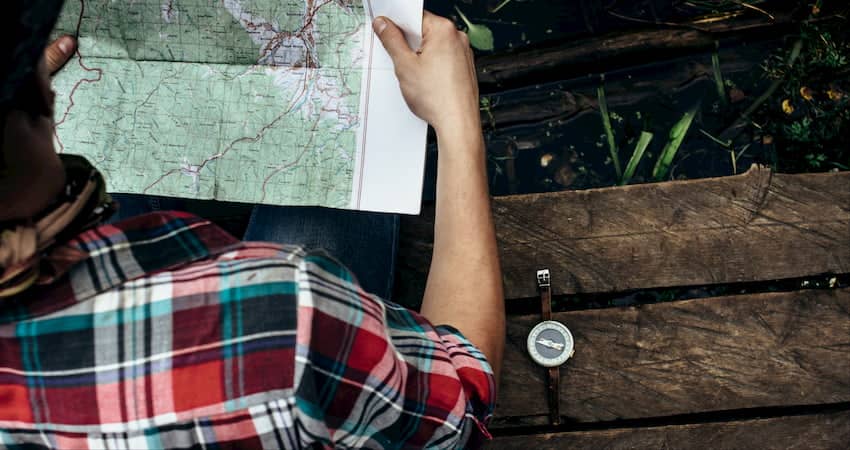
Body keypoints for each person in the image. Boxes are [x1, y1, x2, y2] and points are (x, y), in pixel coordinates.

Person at [0, 1, 505, 448]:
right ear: (40, 97)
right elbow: (462, 398)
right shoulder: (287, 318)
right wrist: (457, 122)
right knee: (330, 144)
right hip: (274, 352)